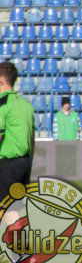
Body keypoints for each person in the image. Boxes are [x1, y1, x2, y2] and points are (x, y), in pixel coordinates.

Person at [0, 62, 35, 208]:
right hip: (25, 163)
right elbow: (32, 139)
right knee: (15, 208)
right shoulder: (26, 105)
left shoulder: (3, 104)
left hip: (8, 165)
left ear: (1, 81)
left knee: (8, 211)